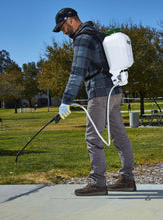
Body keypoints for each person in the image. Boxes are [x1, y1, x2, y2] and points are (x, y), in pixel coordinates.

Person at [53, 8, 136, 196]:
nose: (63, 32)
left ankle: (98, 183)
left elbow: (77, 72)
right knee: (119, 136)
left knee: (92, 138)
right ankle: (127, 179)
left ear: (71, 20)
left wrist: (66, 101)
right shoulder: (97, 35)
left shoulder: (83, 39)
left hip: (99, 95)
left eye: (63, 27)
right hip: (114, 92)